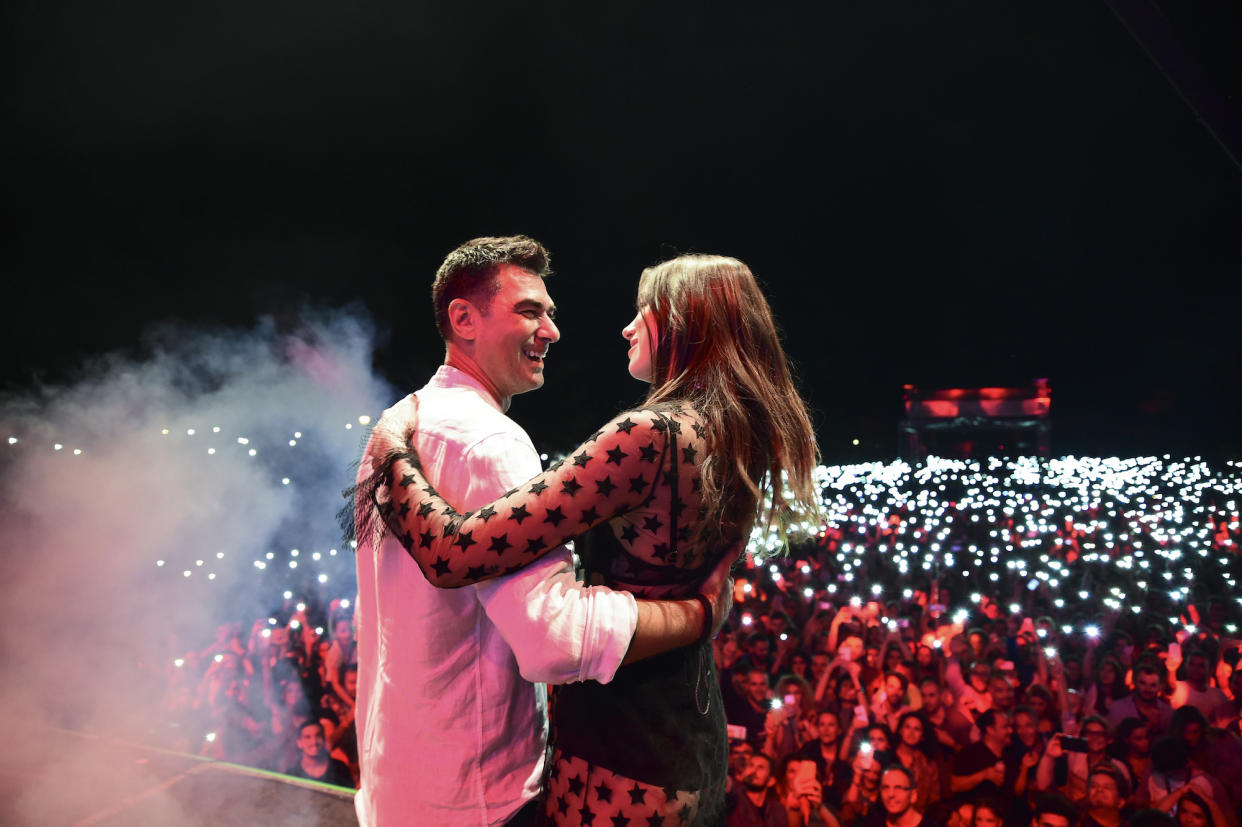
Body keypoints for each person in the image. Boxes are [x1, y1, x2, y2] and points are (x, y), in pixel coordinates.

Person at [365, 251, 821, 824]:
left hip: (621, 746)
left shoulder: (648, 436)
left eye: (645, 311)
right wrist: (705, 614)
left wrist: (391, 450)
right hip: (688, 732)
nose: (627, 327)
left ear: (688, 323)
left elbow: (455, 551)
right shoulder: (735, 436)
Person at [287, 720, 354, 787]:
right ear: (299, 743)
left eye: (318, 736)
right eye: (307, 737)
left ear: (324, 739)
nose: (314, 742)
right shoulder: (292, 775)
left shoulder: (340, 768)